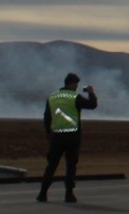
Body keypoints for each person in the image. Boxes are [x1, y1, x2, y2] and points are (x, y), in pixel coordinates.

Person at [37, 72, 98, 203]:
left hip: (57, 136)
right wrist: (91, 92)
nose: (77, 87)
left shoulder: (52, 97)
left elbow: (47, 117)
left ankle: (42, 193)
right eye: (76, 84)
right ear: (72, 84)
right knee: (70, 166)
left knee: (51, 165)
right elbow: (92, 105)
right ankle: (69, 194)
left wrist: (48, 133)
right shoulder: (75, 97)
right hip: (72, 136)